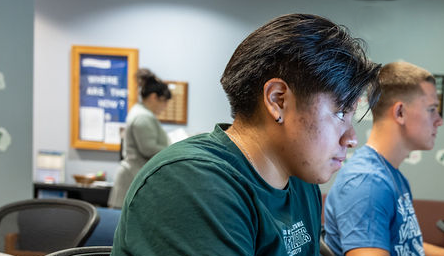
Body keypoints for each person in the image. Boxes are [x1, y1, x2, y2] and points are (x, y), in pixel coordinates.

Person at [111, 13, 380, 256]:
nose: (352, 138)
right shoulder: (192, 182)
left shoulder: (299, 180)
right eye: (340, 112)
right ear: (278, 100)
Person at [323, 61, 444, 256]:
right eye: (431, 109)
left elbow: (409, 247)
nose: (440, 120)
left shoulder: (389, 175)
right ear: (400, 112)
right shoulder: (367, 183)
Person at [108, 68, 171, 208]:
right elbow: (148, 148)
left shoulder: (142, 113)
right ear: (154, 97)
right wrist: (173, 148)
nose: (165, 107)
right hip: (131, 178)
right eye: (164, 101)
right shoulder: (143, 117)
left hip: (134, 176)